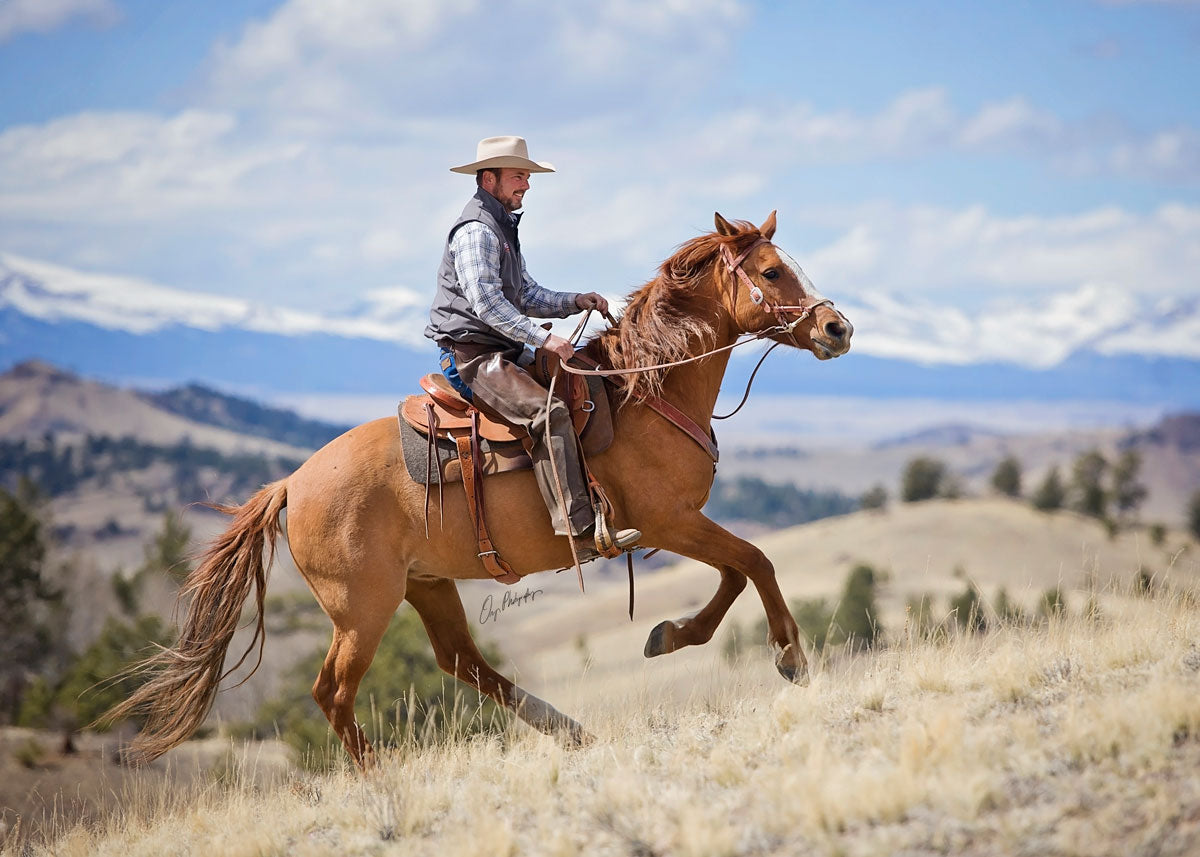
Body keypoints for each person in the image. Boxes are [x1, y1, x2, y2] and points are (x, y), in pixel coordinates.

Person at [425, 136, 639, 554]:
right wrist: (543, 338)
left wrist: (576, 301)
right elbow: (485, 302)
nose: (527, 185)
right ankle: (578, 527)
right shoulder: (477, 231)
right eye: (519, 176)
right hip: (474, 357)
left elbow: (525, 294)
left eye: (527, 176)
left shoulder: (502, 227)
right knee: (549, 413)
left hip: (502, 350)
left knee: (589, 381)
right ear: (489, 179)